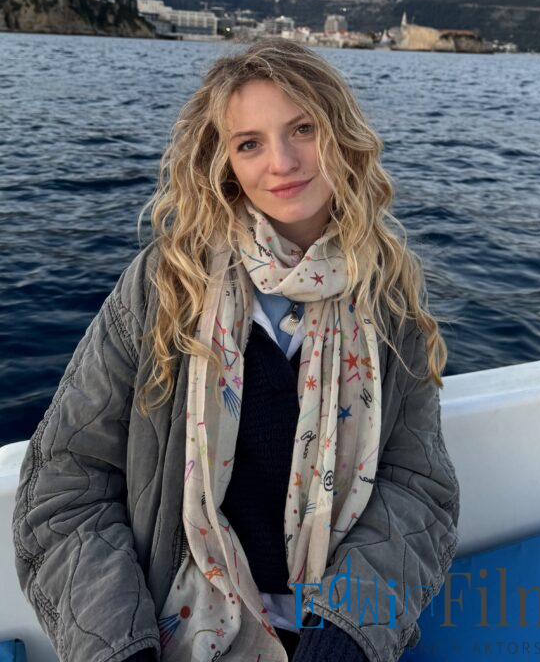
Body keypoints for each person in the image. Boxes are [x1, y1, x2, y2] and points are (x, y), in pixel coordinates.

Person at [13, 39, 459, 662]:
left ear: (341, 133)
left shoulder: (386, 296)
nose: (282, 162)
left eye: (303, 129)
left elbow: (417, 488)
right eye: (249, 143)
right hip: (175, 629)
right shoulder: (166, 287)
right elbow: (65, 486)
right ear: (223, 161)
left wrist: (347, 634)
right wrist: (122, 648)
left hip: (331, 631)